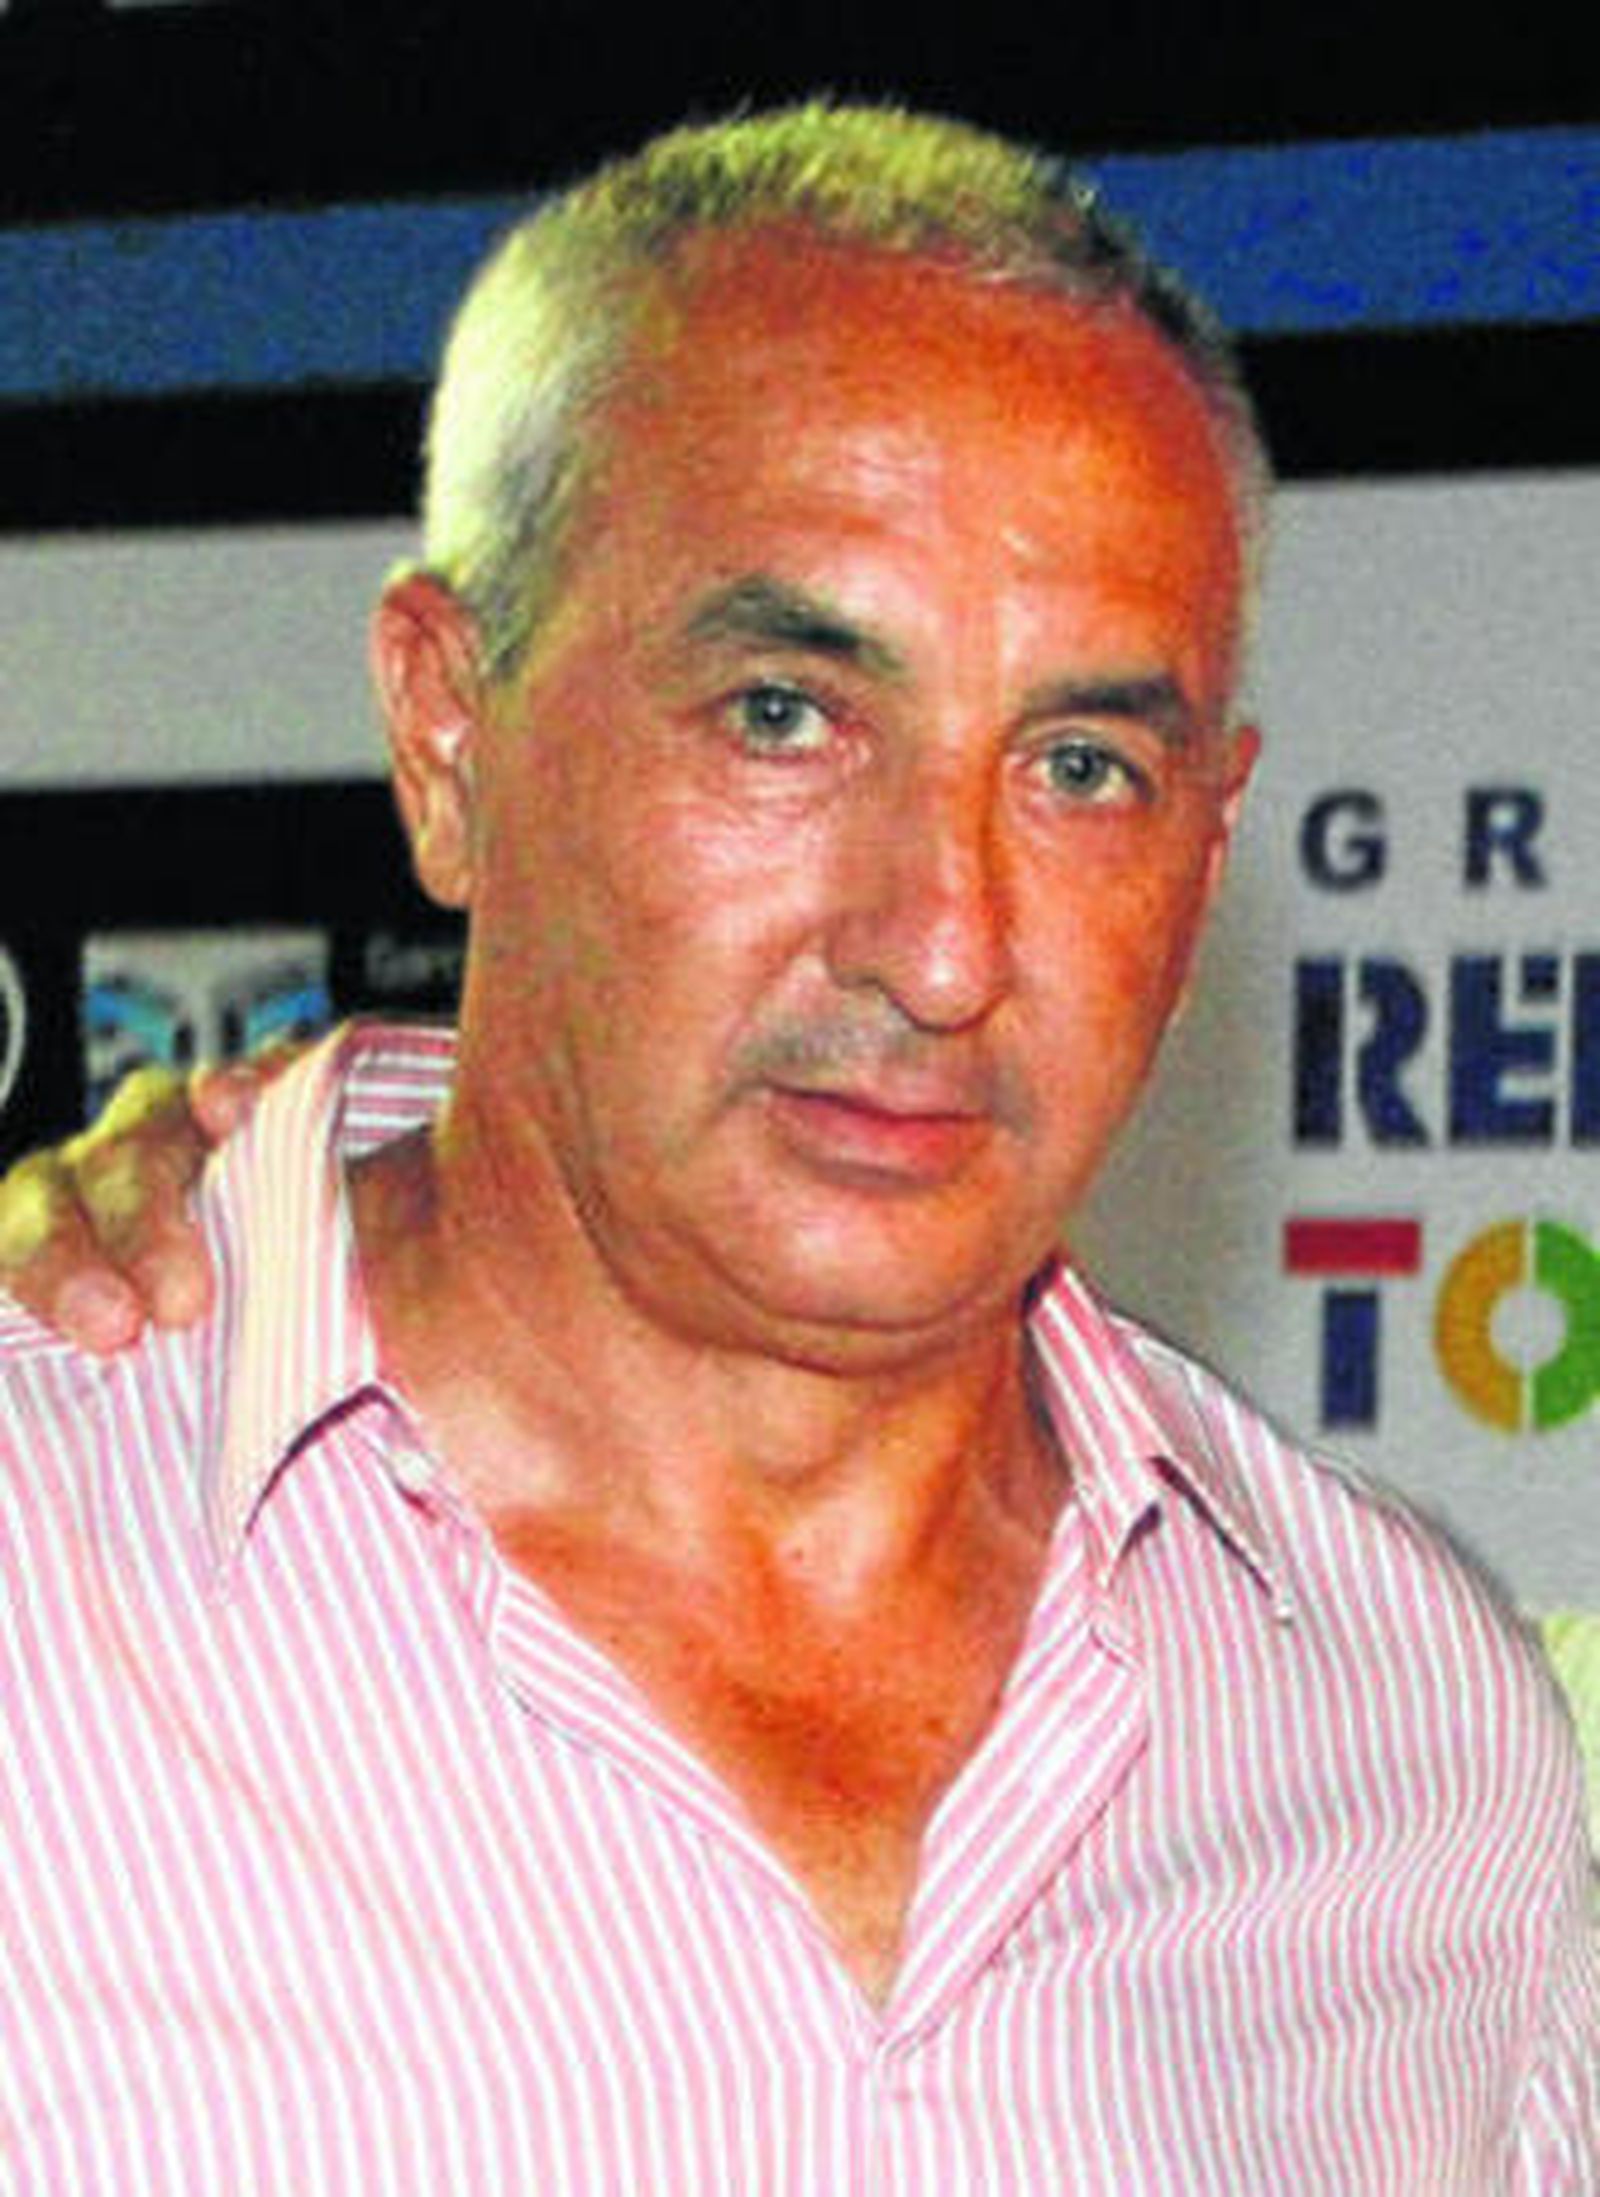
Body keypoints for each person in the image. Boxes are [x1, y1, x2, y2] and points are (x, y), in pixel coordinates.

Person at [1, 101, 1595, 2193]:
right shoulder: (43, 1576)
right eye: (785, 713)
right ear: (448, 731)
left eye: (1081, 766)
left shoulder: (1413, 1745)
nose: (941, 944)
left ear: (1209, 852)